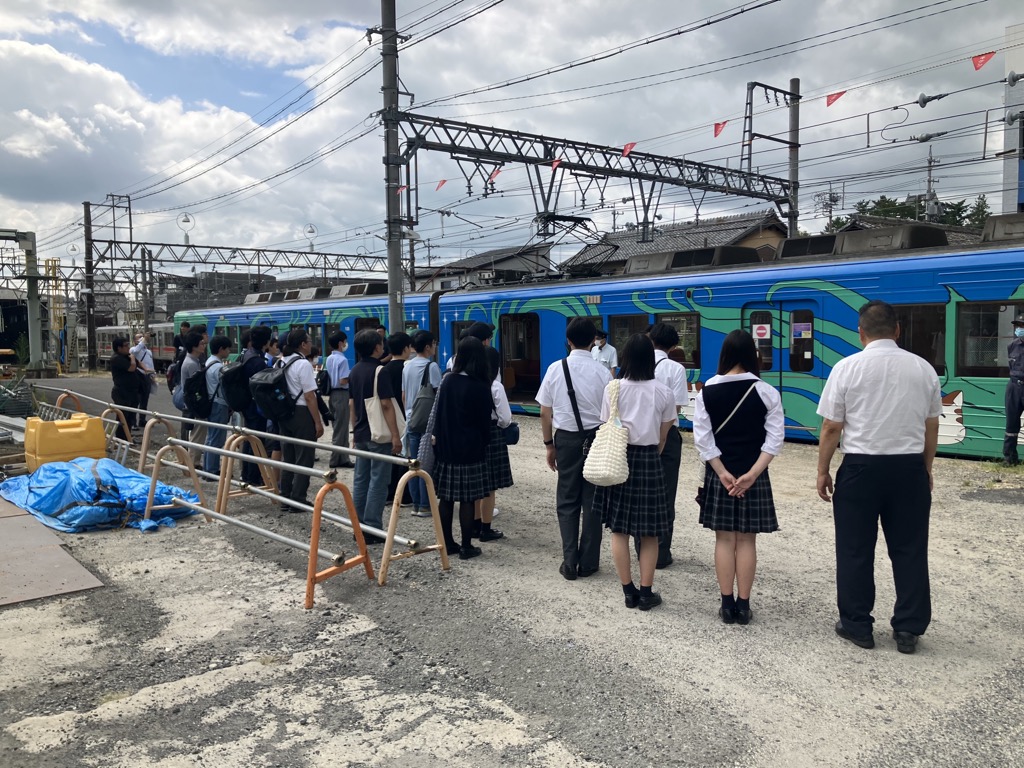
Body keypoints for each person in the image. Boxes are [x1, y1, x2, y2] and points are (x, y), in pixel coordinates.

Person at [817, 300, 942, 654]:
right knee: (910, 549)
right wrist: (926, 467)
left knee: (855, 548)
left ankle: (857, 625)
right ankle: (908, 628)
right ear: (897, 330)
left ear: (861, 333)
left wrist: (822, 470)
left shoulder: (846, 368)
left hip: (860, 468)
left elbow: (831, 427)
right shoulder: (923, 369)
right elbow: (931, 426)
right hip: (908, 468)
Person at [693, 329, 784, 625]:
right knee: (746, 541)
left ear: (725, 355)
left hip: (721, 476)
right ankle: (744, 606)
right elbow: (774, 440)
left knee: (723, 539)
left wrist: (722, 474)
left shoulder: (707, 391)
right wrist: (752, 475)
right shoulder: (767, 392)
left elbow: (703, 441)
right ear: (753, 356)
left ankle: (726, 603)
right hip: (754, 476)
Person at [593, 334, 677, 611]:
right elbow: (664, 436)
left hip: (618, 458)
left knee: (619, 529)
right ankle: (646, 592)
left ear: (626, 358)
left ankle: (627, 592)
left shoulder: (612, 388)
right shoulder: (663, 391)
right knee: (650, 532)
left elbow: (606, 425)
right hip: (649, 459)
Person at [537, 317, 611, 580]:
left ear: (568, 340)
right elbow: (611, 413)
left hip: (566, 439)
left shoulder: (556, 369)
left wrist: (549, 445)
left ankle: (569, 562)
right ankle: (589, 562)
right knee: (593, 501)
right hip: (597, 439)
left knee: (567, 499)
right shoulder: (603, 372)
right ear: (594, 340)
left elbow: (545, 412)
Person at [431, 337, 494, 560]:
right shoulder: (480, 385)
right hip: (471, 449)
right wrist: (484, 443)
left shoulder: (447, 380)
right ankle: (467, 546)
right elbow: (484, 422)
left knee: (446, 498)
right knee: (468, 498)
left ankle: (447, 543)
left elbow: (438, 415)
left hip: (447, 448)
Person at [349, 329, 404, 542]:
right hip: (379, 434)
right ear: (376, 348)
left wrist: (354, 431)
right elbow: (386, 404)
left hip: (362, 432)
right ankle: (372, 528)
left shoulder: (354, 371)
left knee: (361, 479)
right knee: (379, 481)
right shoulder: (381, 371)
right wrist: (396, 436)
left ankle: (358, 526)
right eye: (381, 343)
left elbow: (352, 404)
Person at [647, 322, 690, 569]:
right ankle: (661, 554)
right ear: (674, 346)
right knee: (665, 494)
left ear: (650, 339)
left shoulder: (633, 364)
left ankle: (642, 549)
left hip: (638, 437)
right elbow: (676, 409)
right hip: (667, 435)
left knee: (641, 492)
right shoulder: (675, 368)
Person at [277, 329, 325, 511]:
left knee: (288, 457)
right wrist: (318, 422)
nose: (311, 344)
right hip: (301, 413)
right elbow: (310, 396)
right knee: (304, 456)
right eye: (310, 341)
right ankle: (298, 498)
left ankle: (285, 498)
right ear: (303, 344)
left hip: (284, 413)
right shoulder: (303, 364)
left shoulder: (280, 361)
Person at [403, 330, 442, 518]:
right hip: (426, 422)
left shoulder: (407, 366)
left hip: (411, 419)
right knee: (426, 462)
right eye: (434, 343)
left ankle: (416, 504)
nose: (435, 347)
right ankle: (426, 505)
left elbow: (404, 395)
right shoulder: (431, 367)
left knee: (413, 463)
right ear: (427, 346)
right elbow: (438, 395)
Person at [239, 326, 273, 486]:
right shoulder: (258, 361)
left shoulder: (247, 356)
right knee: (256, 441)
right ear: (266, 342)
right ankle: (253, 476)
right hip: (256, 407)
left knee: (248, 440)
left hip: (246, 403)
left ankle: (246, 474)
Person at [203, 335, 233, 476]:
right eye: (228, 349)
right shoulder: (218, 367)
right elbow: (224, 389)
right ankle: (212, 470)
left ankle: (208, 467)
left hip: (210, 402)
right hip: (219, 404)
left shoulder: (209, 362)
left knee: (211, 437)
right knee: (216, 438)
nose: (229, 351)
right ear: (221, 349)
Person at [178, 332, 208, 466]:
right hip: (194, 404)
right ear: (194, 346)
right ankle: (193, 463)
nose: (204, 345)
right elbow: (196, 386)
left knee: (197, 434)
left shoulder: (193, 360)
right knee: (197, 435)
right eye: (201, 343)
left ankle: (193, 462)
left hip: (192, 402)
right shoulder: (191, 363)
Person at [325, 331, 353, 469]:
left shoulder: (329, 358)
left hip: (332, 394)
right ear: (341, 343)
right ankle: (336, 458)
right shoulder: (343, 360)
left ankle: (343, 457)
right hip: (342, 394)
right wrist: (351, 377)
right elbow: (343, 380)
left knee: (338, 426)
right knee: (341, 428)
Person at [1002, 314, 1024, 466]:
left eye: (1022, 326)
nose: (1019, 329)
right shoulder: (1012, 346)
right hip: (1014, 386)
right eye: (1018, 326)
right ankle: (1009, 458)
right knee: (1011, 424)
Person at [109, 336, 138, 440]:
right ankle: (121, 438)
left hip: (131, 391)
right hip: (121, 392)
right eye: (125, 346)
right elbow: (131, 368)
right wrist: (133, 360)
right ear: (118, 348)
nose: (128, 348)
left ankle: (127, 436)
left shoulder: (126, 356)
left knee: (130, 416)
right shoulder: (116, 358)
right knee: (123, 416)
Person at [130, 331, 156, 429]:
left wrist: (153, 374)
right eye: (139, 337)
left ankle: (142, 420)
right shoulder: (133, 349)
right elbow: (135, 351)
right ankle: (133, 422)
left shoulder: (148, 351)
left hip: (147, 376)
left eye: (142, 337)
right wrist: (144, 340)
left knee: (145, 400)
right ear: (134, 341)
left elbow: (150, 363)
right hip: (138, 375)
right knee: (136, 400)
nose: (142, 338)